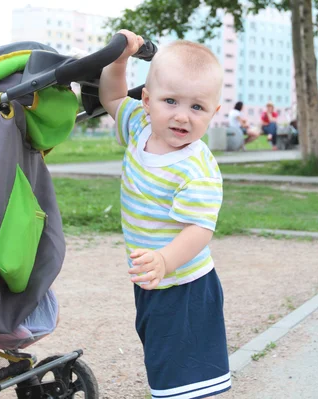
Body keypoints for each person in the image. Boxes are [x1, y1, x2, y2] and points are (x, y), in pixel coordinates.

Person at [99, 29, 230, 399]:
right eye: (171, 101)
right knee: (162, 361)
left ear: (213, 113)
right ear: (147, 100)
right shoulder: (140, 128)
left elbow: (199, 230)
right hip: (154, 280)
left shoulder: (196, 167)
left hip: (185, 284)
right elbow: (110, 95)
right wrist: (121, 58)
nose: (182, 117)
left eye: (197, 107)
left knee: (184, 376)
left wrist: (165, 259)